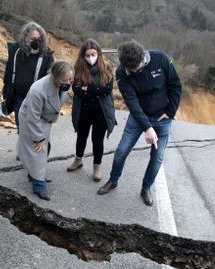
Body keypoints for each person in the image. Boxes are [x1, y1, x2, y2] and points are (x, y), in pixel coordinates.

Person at [97, 40, 182, 206]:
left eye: (139, 67)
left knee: (157, 158)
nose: (136, 72)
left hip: (162, 119)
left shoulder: (161, 58)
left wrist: (170, 113)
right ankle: (113, 180)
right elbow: (132, 102)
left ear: (143, 57)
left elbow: (175, 86)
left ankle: (146, 188)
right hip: (138, 117)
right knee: (121, 151)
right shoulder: (122, 73)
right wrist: (147, 127)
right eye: (132, 70)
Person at [17, 61, 74, 201]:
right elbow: (32, 117)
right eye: (65, 80)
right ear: (55, 77)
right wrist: (39, 138)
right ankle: (39, 186)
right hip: (31, 119)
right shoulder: (38, 90)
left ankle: (34, 174)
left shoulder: (61, 83)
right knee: (37, 151)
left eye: (70, 79)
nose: (68, 82)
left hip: (44, 119)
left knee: (45, 149)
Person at [67, 39, 116, 182]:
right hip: (83, 110)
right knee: (81, 136)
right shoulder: (78, 69)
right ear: (83, 56)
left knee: (97, 140)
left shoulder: (106, 68)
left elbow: (106, 90)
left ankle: (97, 167)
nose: (90, 58)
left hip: (101, 112)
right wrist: (94, 90)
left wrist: (87, 89)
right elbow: (76, 90)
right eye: (87, 55)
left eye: (93, 54)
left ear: (99, 54)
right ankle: (78, 159)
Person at [1, 22, 54, 129]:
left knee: (37, 132)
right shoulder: (16, 52)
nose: (36, 42)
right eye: (33, 39)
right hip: (19, 99)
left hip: (37, 101)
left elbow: (51, 79)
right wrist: (6, 95)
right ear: (25, 38)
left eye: (39, 39)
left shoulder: (47, 55)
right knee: (22, 130)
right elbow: (8, 74)